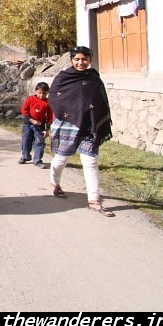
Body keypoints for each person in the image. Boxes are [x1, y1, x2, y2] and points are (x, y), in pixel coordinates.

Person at [48, 45, 114, 217]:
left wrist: (98, 120)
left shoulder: (94, 78)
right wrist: (69, 113)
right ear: (71, 60)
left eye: (84, 59)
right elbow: (54, 97)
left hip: (89, 126)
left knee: (91, 162)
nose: (80, 62)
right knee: (61, 158)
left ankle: (94, 200)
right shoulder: (63, 77)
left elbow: (100, 100)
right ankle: (55, 183)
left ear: (90, 60)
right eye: (77, 59)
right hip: (68, 125)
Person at [19, 81, 53, 168]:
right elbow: (24, 111)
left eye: (44, 93)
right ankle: (25, 156)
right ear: (36, 91)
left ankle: (37, 160)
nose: (41, 95)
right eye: (39, 93)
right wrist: (32, 120)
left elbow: (49, 117)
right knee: (26, 140)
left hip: (40, 126)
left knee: (39, 142)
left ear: (47, 93)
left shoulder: (48, 103)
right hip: (28, 124)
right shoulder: (31, 99)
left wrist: (47, 129)